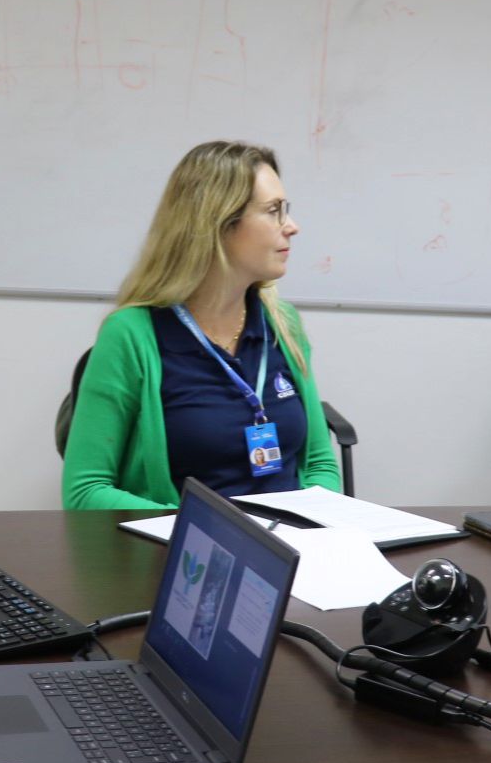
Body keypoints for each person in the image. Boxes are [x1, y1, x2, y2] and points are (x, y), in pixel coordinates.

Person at [62, 141, 342, 509]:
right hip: (189, 542)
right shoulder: (131, 334)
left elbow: (320, 464)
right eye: (273, 211)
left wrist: (315, 520)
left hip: (290, 539)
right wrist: (199, 529)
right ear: (219, 224)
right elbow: (85, 491)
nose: (292, 227)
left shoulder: (282, 322)